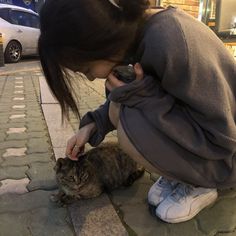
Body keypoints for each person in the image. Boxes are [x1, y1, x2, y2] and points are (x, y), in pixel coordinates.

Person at [38, 0, 236, 223]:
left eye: (85, 69)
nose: (91, 77)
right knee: (120, 108)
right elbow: (126, 103)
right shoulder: (136, 41)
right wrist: (94, 123)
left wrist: (143, 98)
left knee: (130, 127)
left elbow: (222, 140)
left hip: (224, 158)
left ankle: (200, 185)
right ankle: (180, 175)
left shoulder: (170, 40)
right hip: (205, 144)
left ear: (99, 41)